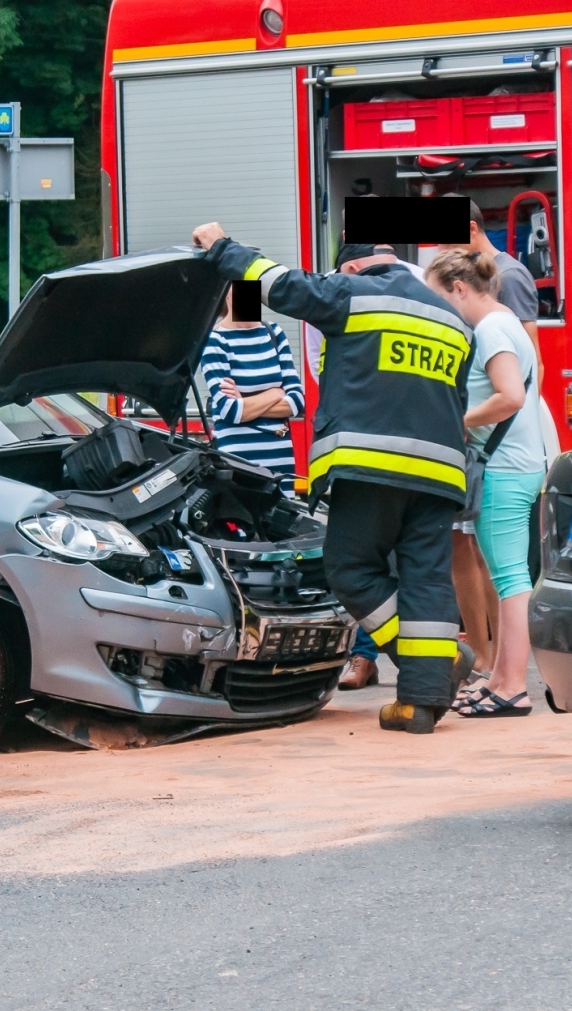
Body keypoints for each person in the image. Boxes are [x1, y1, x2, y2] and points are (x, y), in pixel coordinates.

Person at [194, 223, 472, 734]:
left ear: (348, 267)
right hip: (441, 473)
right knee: (427, 578)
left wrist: (220, 247)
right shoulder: (451, 318)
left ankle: (426, 668)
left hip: (372, 468)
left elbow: (274, 283)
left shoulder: (350, 294)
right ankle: (420, 700)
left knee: (350, 568)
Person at [426, 250, 543, 718]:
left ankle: (512, 686)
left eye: (438, 296)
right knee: (508, 575)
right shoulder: (505, 322)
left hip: (504, 467)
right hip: (515, 463)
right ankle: (499, 679)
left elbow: (509, 395)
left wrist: (455, 420)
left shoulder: (492, 329)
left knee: (511, 579)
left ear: (459, 289)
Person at [199, 282, 304, 496]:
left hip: (280, 462)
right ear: (224, 291)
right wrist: (275, 393)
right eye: (239, 286)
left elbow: (297, 402)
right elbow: (231, 411)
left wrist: (246, 401)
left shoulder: (274, 333)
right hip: (239, 462)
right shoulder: (214, 340)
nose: (247, 293)